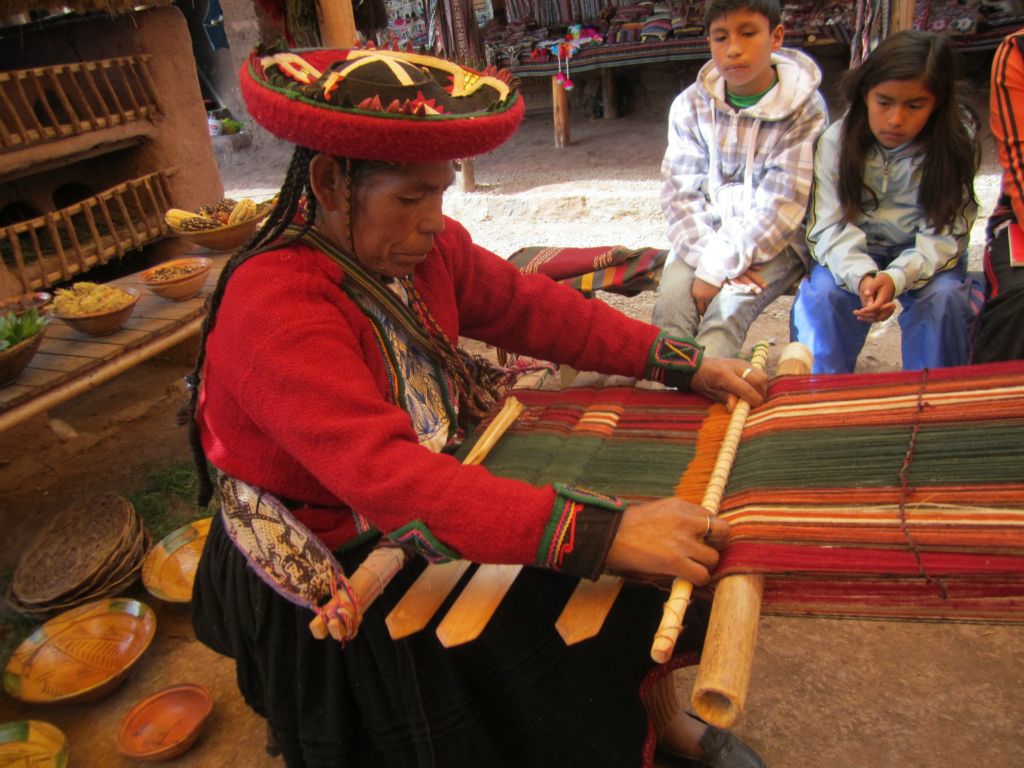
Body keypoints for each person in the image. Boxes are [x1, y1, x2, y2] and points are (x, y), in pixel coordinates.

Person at [186, 46, 768, 768]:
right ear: (333, 182)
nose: (434, 222)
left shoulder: (418, 248)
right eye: (411, 198)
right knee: (566, 609)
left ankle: (663, 726)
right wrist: (600, 536)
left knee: (633, 567)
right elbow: (387, 478)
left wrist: (682, 362)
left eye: (440, 195)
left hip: (419, 481)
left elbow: (532, 309)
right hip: (338, 539)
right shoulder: (274, 305)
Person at [791, 30, 981, 373]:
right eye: (885, 102)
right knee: (822, 298)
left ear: (937, 103)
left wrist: (896, 278)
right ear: (865, 94)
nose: (895, 119)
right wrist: (863, 277)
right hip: (853, 252)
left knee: (945, 301)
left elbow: (946, 235)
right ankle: (821, 403)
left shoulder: (955, 144)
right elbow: (828, 228)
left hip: (925, 253)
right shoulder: (837, 141)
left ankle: (926, 406)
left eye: (915, 105)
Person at [652, 0, 827, 360]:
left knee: (724, 315)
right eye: (720, 37)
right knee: (670, 311)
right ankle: (669, 408)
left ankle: (708, 408)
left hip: (774, 242)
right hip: (702, 238)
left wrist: (719, 268)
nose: (733, 48)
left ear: (776, 36)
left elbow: (779, 207)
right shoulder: (690, 106)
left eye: (748, 33)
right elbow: (679, 194)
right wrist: (710, 261)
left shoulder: (805, 110)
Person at [974, 27, 1024, 362]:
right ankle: (996, 414)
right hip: (1020, 219)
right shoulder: (1017, 52)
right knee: (1017, 305)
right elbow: (1020, 164)